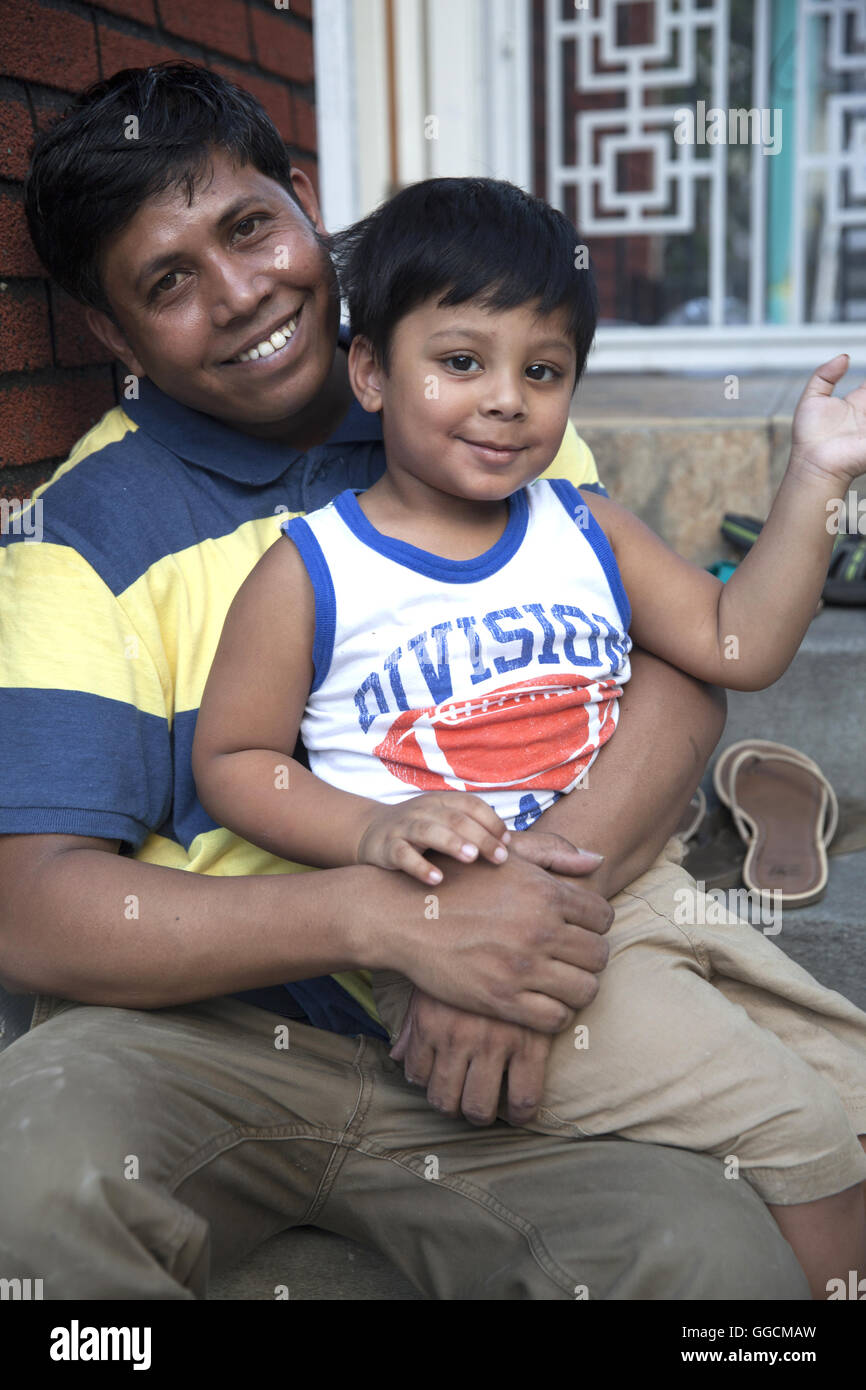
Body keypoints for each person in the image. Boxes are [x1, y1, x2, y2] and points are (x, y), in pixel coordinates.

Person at [0, 62, 810, 1302]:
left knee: (717, 1264)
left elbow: (675, 669)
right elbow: (37, 910)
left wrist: (519, 936)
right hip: (206, 1039)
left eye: (250, 227)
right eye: (166, 282)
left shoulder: (483, 397)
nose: (237, 294)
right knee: (29, 1182)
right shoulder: (82, 537)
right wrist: (395, 923)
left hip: (525, 1033)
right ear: (110, 334)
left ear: (305, 202)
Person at [191, 176, 866, 1300]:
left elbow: (732, 643)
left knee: (845, 1080)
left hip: (635, 888)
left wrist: (811, 478)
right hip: (469, 950)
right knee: (795, 1130)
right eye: (460, 362)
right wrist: (373, 827)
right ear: (371, 372)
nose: (506, 400)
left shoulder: (582, 524)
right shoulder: (312, 569)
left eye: (540, 371)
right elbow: (232, 763)